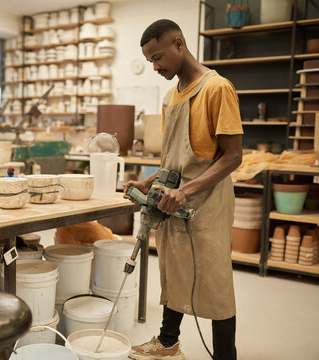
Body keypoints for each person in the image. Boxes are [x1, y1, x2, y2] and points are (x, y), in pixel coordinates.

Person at [124, 19, 243, 360]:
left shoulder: (216, 88)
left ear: (179, 43)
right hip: (174, 200)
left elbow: (233, 156)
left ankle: (225, 356)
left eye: (158, 57)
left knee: (214, 280)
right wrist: (147, 181)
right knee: (173, 271)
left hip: (207, 202)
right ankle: (167, 343)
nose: (156, 66)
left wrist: (187, 192)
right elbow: (172, 159)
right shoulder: (170, 96)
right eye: (150, 61)